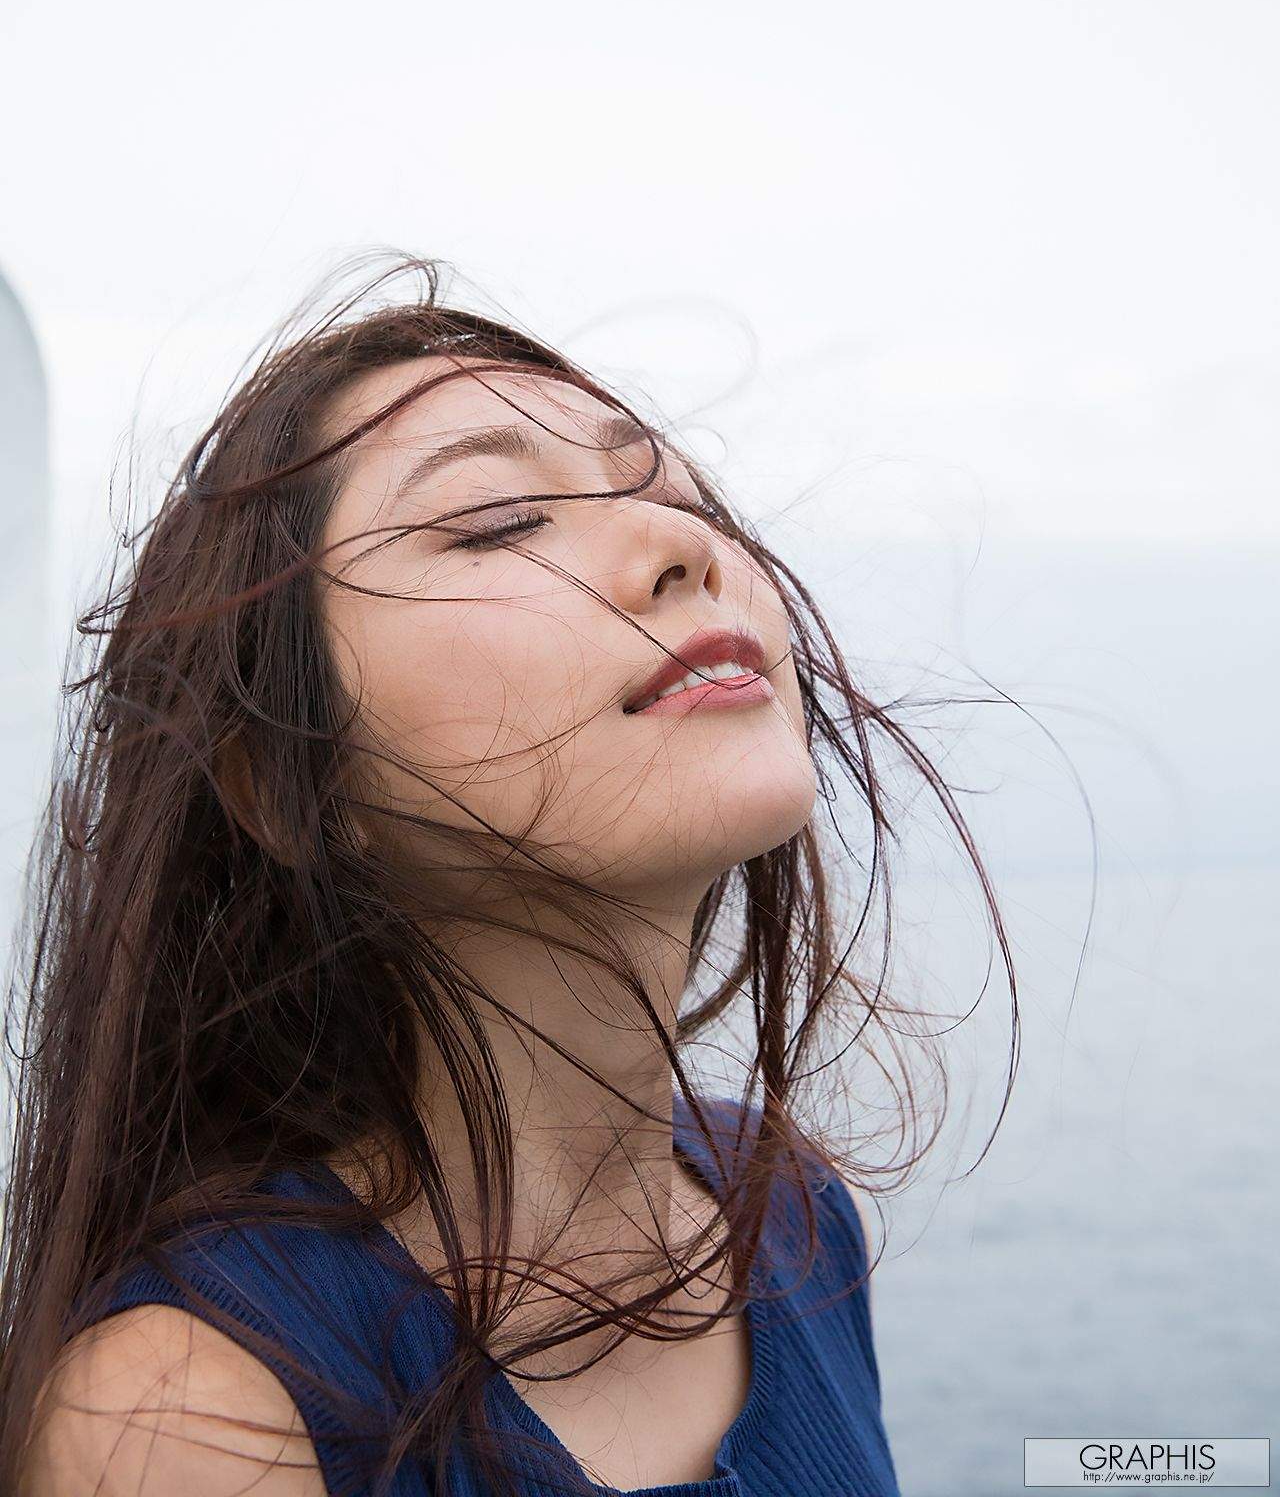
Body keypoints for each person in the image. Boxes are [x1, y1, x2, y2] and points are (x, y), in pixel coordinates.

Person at [2, 257, 1015, 1496]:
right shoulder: (190, 1412)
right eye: (497, 520)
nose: (681, 545)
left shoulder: (794, 1215)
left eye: (677, 494)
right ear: (283, 785)